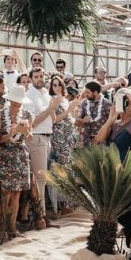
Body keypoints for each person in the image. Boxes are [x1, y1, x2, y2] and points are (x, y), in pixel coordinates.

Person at [95, 89, 131, 259]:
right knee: (110, 211)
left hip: (129, 173)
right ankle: (109, 247)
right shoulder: (114, 123)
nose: (123, 104)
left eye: (126, 100)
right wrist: (110, 119)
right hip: (112, 173)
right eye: (119, 100)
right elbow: (98, 139)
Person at [0, 84, 34, 237]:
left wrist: (26, 131)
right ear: (10, 100)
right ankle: (3, 227)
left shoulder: (27, 114)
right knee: (5, 192)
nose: (16, 103)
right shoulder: (0, 114)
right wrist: (10, 133)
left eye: (19, 101)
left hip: (20, 154)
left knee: (17, 193)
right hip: (4, 154)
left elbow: (30, 138)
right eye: (14, 100)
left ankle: (12, 227)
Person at [26, 67, 62, 220]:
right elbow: (31, 123)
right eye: (36, 76)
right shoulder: (29, 96)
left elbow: (52, 119)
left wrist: (52, 109)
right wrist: (49, 109)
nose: (39, 78)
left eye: (41, 76)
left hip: (47, 137)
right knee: (39, 178)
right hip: (36, 137)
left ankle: (40, 215)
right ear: (31, 78)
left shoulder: (45, 93)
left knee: (42, 178)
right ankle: (40, 217)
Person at [48, 75, 81, 212]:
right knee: (61, 169)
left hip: (69, 138)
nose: (57, 87)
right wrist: (68, 110)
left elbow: (71, 119)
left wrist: (73, 110)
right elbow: (53, 120)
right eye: (54, 85)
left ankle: (68, 203)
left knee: (68, 169)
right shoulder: (52, 100)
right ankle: (62, 204)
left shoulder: (64, 100)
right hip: (58, 137)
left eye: (59, 85)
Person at [76, 81, 111, 147]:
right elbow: (77, 122)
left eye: (88, 92)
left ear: (95, 92)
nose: (86, 94)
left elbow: (111, 123)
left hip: (101, 141)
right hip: (86, 141)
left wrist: (102, 137)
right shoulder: (84, 103)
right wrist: (83, 120)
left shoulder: (107, 104)